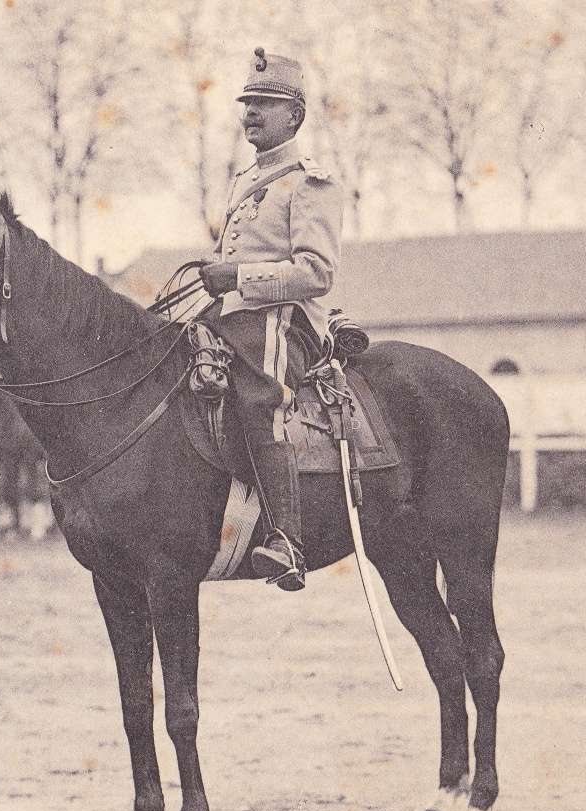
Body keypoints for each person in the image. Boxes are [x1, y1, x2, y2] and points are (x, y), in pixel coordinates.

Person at [199, 47, 344, 592]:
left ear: (296, 116)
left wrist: (237, 279)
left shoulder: (310, 183)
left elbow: (316, 272)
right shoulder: (244, 179)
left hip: (285, 322)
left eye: (266, 102)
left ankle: (287, 539)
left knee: (261, 396)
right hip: (233, 317)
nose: (251, 113)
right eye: (248, 103)